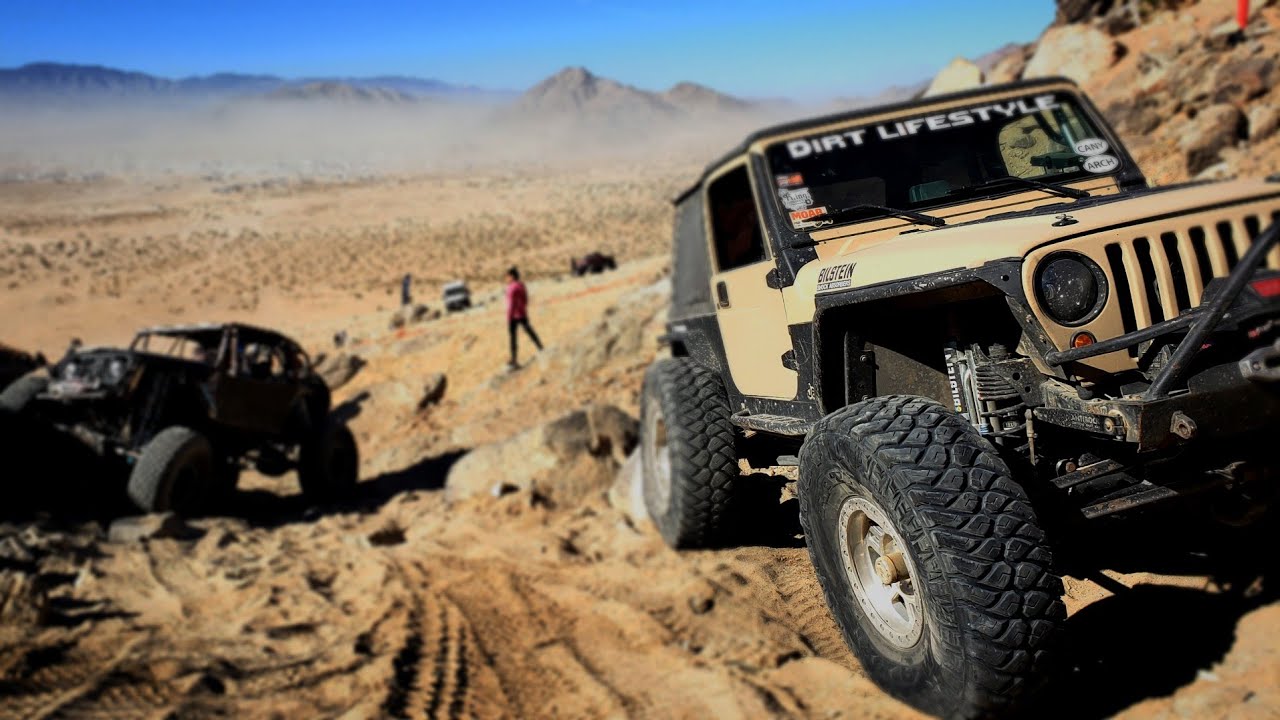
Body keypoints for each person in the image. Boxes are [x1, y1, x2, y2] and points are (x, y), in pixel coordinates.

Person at [504, 267, 542, 369]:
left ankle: (514, 359)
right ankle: (540, 347)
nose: (506, 278)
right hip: (522, 313)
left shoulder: (511, 288)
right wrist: (523, 308)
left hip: (513, 316)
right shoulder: (521, 285)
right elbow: (526, 299)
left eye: (507, 276)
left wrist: (508, 316)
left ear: (512, 276)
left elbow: (510, 304)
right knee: (530, 331)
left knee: (513, 338)